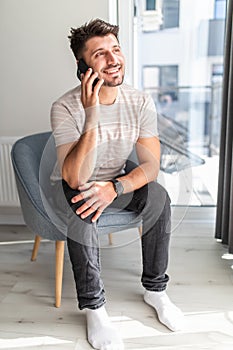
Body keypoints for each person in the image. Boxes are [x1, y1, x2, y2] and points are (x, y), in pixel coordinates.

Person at [50, 18, 184, 350]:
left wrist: (116, 187)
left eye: (116, 50)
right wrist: (91, 114)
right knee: (83, 204)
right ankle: (94, 308)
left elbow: (151, 165)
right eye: (100, 54)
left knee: (159, 198)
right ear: (83, 67)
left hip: (115, 178)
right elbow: (75, 177)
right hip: (74, 179)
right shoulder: (64, 107)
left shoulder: (139, 102)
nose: (113, 60)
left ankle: (156, 290)